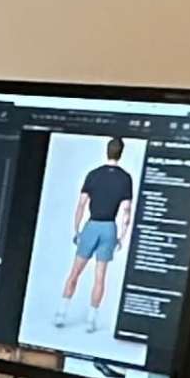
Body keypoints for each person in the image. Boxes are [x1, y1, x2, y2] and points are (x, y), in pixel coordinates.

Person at [59, 133, 131, 330]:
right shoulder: (126, 178)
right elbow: (126, 212)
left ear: (107, 151)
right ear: (121, 153)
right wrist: (121, 237)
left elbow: (81, 205)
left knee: (75, 272)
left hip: (91, 226)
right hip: (109, 227)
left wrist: (77, 230)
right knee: (100, 277)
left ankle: (61, 314)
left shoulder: (93, 174)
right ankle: (91, 320)